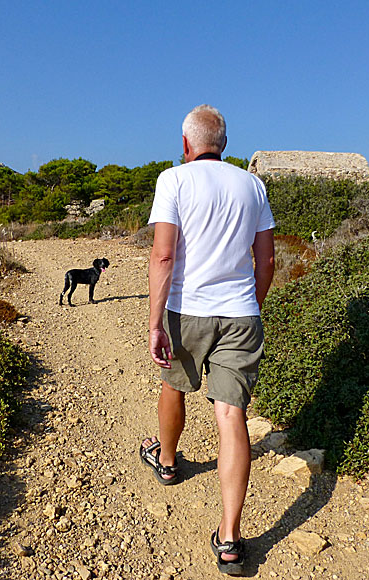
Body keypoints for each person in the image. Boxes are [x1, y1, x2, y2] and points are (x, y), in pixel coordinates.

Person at [139, 104, 275, 575]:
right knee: (231, 414)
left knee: (173, 385)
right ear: (225, 145)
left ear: (185, 145)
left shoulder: (172, 180)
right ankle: (231, 539)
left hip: (186, 310)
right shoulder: (253, 185)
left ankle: (169, 462)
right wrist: (249, 304)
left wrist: (155, 322)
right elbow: (267, 262)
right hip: (241, 313)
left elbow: (163, 255)